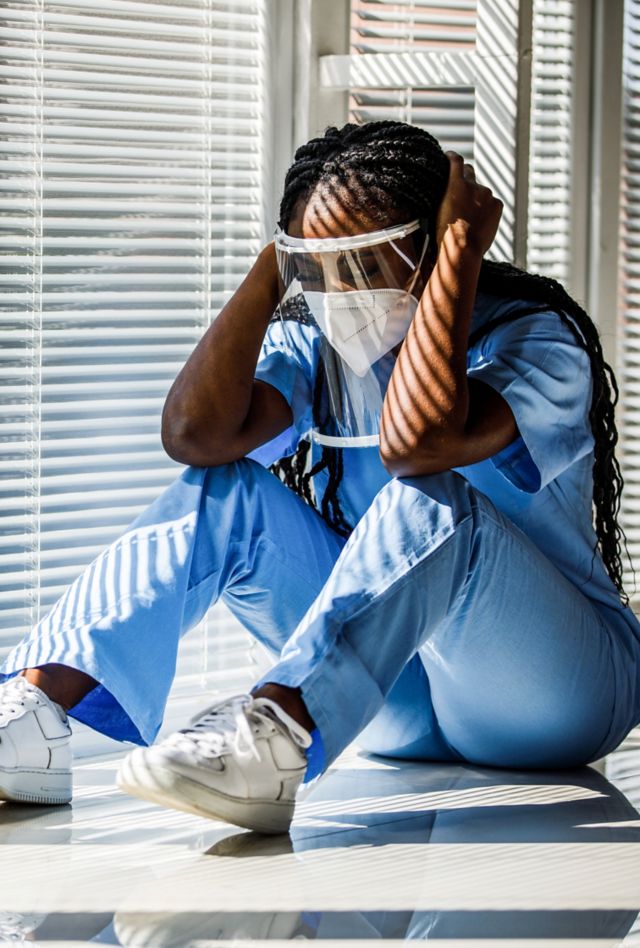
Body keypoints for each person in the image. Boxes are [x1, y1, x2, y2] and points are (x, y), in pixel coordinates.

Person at [1, 121, 639, 836]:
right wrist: (279, 265)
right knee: (226, 488)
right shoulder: (322, 343)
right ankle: (32, 718)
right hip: (398, 706)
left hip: (555, 697)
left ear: (432, 243)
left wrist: (459, 245)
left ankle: (274, 734)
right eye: (322, 268)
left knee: (431, 498)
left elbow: (418, 445)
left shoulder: (537, 342)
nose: (342, 293)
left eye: (364, 264)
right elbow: (195, 435)